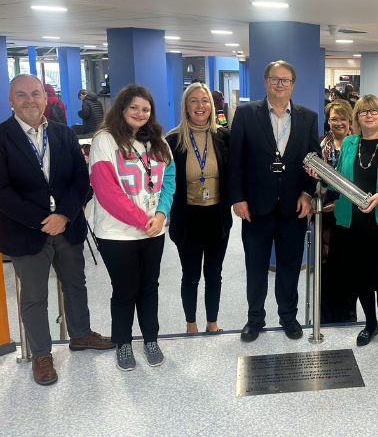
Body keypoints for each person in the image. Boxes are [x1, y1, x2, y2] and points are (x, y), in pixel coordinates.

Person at [0, 74, 114, 386]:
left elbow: (81, 179)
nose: (30, 100)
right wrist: (42, 220)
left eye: (35, 93)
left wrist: (63, 214)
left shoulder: (64, 134)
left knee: (75, 284)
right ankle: (41, 354)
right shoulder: (2, 136)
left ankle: (80, 335)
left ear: (45, 97)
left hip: (67, 226)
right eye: (21, 95)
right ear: (11, 101)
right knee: (34, 297)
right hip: (27, 232)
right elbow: (3, 191)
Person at [311, 94, 378, 361]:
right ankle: (370, 325)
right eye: (363, 111)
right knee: (363, 279)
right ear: (357, 117)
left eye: (373, 110)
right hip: (354, 222)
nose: (369, 115)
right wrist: (322, 177)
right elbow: (340, 183)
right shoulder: (350, 143)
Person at [228, 60, 321, 342]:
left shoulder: (308, 117)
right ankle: (255, 319)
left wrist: (308, 193)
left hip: (294, 207)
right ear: (266, 81)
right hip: (254, 208)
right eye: (274, 79)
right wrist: (238, 198)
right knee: (255, 268)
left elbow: (313, 161)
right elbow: (235, 161)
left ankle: (288, 317)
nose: (280, 84)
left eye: (286, 80)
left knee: (290, 267)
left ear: (293, 85)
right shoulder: (245, 114)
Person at [89, 84, 176, 371]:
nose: (140, 113)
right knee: (126, 290)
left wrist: (161, 215)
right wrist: (143, 221)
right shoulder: (105, 140)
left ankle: (151, 338)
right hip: (117, 234)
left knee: (150, 288)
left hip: (154, 230)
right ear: (122, 108)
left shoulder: (157, 141)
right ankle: (123, 343)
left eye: (146, 109)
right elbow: (106, 191)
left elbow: (169, 179)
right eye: (134, 107)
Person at [166, 83, 232, 334]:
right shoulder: (172, 141)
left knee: (214, 274)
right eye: (193, 101)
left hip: (217, 216)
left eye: (205, 101)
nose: (200, 106)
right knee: (191, 275)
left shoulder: (224, 136)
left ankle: (212, 322)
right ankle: (191, 324)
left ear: (212, 106)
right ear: (185, 106)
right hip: (188, 218)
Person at [319, 99, 356, 323]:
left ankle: (348, 312)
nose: (338, 123)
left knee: (349, 262)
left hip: (350, 210)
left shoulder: (358, 144)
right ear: (328, 120)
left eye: (343, 118)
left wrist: (343, 203)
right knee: (327, 263)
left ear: (350, 119)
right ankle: (326, 313)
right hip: (325, 211)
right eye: (334, 118)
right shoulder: (320, 145)